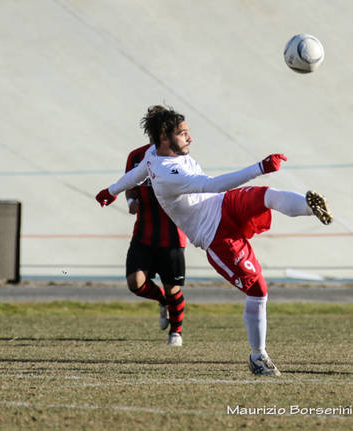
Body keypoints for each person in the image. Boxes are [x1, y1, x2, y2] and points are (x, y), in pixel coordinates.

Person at [96, 105, 332, 376]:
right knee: (258, 291)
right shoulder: (169, 174)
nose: (190, 138)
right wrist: (260, 167)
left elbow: (138, 173)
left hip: (224, 205)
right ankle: (258, 356)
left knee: (267, 196)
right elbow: (213, 184)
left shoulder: (151, 154)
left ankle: (311, 208)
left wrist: (111, 190)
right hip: (216, 235)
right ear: (164, 136)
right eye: (183, 134)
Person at [124, 144, 187, 346]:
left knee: (173, 290)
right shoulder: (136, 156)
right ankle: (162, 301)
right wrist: (131, 201)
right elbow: (129, 186)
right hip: (143, 234)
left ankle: (176, 332)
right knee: (135, 282)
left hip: (173, 236)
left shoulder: (179, 157)